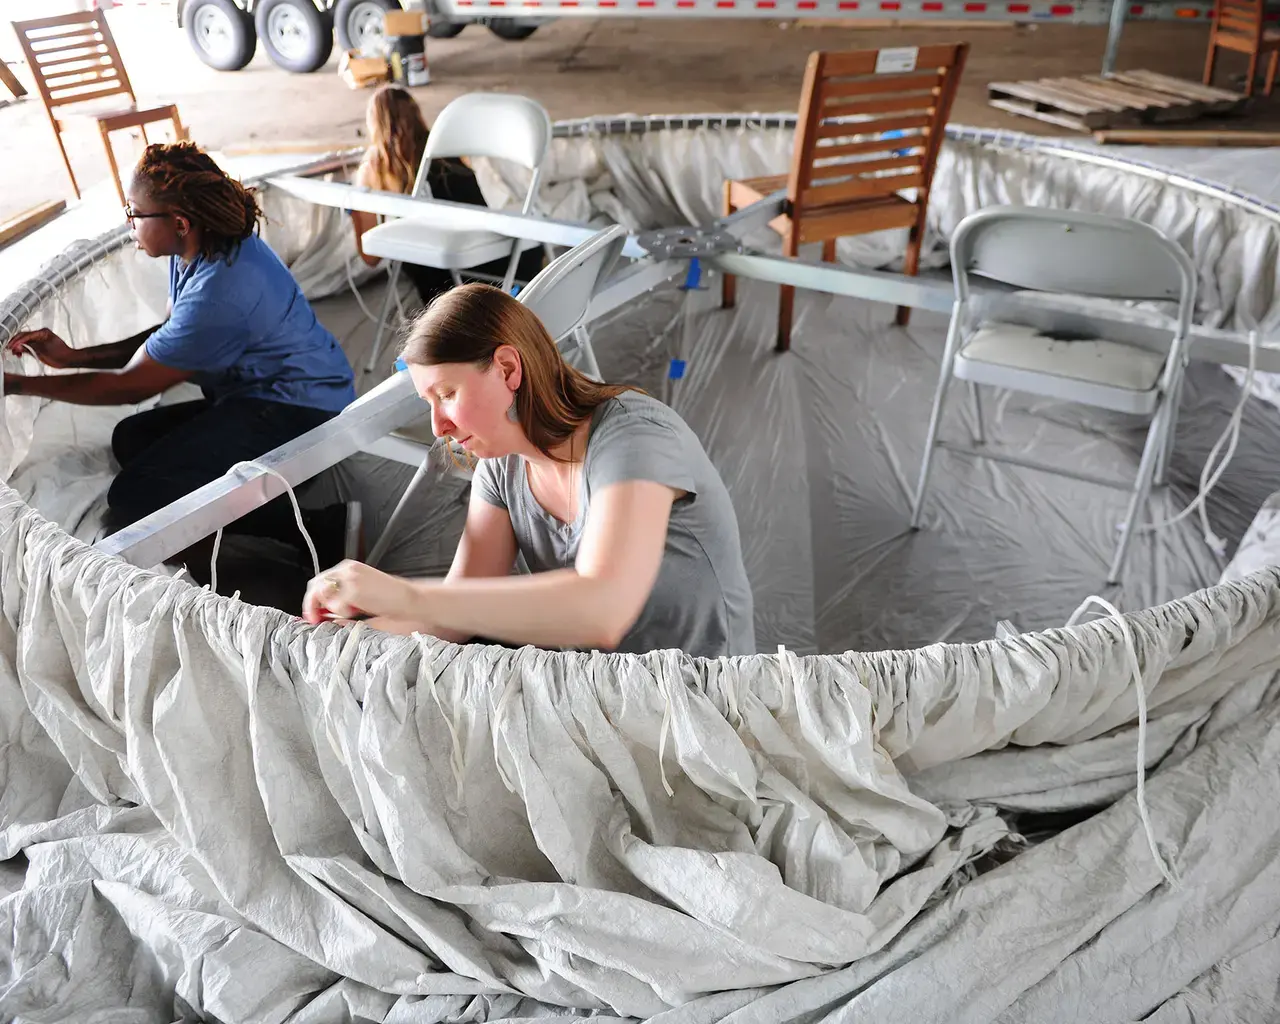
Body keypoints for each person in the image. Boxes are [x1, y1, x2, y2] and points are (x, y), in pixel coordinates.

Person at [302, 283, 755, 659]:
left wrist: (404, 594)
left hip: (702, 702)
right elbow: (453, 614)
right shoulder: (502, 468)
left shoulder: (636, 438)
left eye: (447, 394)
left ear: (507, 369)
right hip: (598, 693)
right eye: (429, 404)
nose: (439, 426)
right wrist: (350, 638)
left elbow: (603, 611)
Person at [3, 141, 361, 569]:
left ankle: (320, 530)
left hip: (302, 412)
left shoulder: (219, 292)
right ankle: (238, 503)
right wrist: (73, 356)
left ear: (179, 222)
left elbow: (128, 386)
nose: (129, 223)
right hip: (270, 393)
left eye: (134, 213)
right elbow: (167, 336)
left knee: (137, 496)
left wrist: (17, 385)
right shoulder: (201, 247)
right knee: (130, 439)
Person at [350, 84, 543, 307]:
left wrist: (354, 210)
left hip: (444, 285)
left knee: (408, 252)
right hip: (505, 260)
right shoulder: (448, 152)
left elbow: (370, 258)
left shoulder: (376, 168)